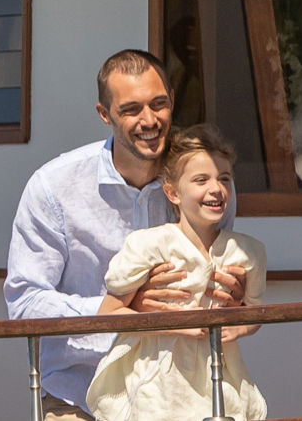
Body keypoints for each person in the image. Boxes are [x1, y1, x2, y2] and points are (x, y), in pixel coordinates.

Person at [5, 50, 250, 420]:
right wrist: (115, 310)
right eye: (131, 109)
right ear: (105, 114)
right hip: (80, 395)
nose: (149, 120)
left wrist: (235, 296)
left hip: (181, 393)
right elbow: (24, 302)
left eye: (159, 104)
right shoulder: (53, 186)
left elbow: (219, 283)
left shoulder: (205, 185)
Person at [86, 125, 268, 420]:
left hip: (220, 379)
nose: (216, 189)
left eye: (224, 179)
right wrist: (175, 324)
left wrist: (239, 327)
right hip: (159, 383)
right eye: (201, 180)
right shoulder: (149, 245)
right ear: (172, 192)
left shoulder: (248, 252)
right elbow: (108, 313)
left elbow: (256, 312)